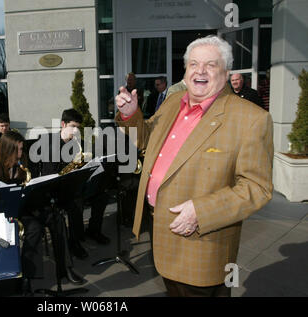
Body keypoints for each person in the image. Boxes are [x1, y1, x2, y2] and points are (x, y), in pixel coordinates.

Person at [115, 35, 273, 297]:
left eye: (211, 65)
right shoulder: (171, 104)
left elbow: (257, 188)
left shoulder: (252, 118)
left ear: (226, 72)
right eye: (193, 64)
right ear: (185, 70)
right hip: (161, 232)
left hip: (202, 242)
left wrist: (201, 211)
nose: (200, 71)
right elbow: (143, 140)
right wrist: (131, 115)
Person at [0, 131, 84, 293]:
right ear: (6, 149)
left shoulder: (24, 164)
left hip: (28, 206)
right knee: (35, 229)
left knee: (56, 218)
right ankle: (27, 277)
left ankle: (65, 268)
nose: (20, 154)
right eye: (16, 150)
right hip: (5, 214)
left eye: (22, 149)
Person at [34, 109, 110, 260]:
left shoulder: (78, 144)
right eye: (73, 126)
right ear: (63, 124)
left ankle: (93, 230)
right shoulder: (49, 143)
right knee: (76, 202)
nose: (76, 131)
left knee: (102, 194)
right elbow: (50, 175)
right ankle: (74, 242)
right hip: (55, 190)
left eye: (78, 127)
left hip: (75, 185)